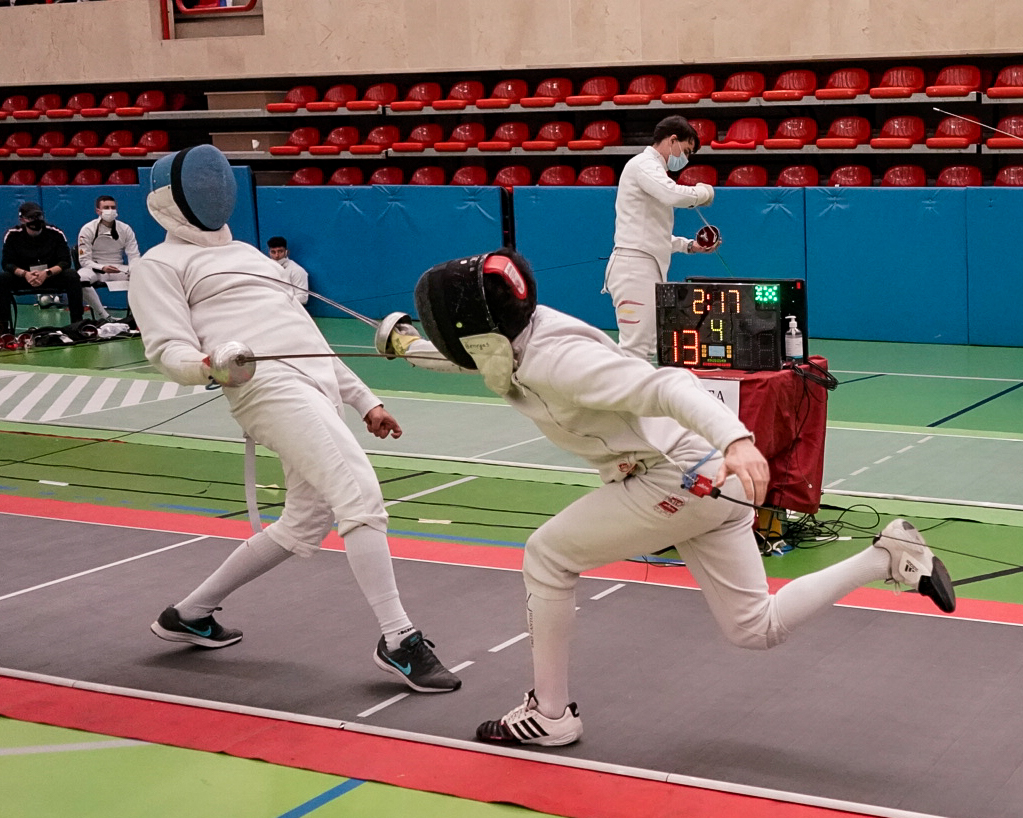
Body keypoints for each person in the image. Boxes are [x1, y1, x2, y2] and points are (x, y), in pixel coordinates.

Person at [378, 248, 956, 745]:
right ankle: (888, 556)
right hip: (712, 485)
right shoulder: (520, 338)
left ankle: (549, 715)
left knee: (547, 557)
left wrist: (736, 439)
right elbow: (480, 362)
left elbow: (668, 384)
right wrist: (405, 344)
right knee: (755, 627)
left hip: (681, 477)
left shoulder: (560, 361)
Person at [129, 144, 460, 694]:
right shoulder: (159, 265)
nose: (214, 192)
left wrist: (364, 400)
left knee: (305, 520)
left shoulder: (251, 256)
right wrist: (209, 365)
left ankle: (188, 614)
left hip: (314, 383)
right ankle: (398, 638)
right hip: (264, 387)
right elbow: (167, 350)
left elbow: (306, 337)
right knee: (359, 492)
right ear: (170, 199)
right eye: (201, 185)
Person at [602, 115, 721, 363]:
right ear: (672, 140)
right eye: (686, 151)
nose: (685, 159)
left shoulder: (653, 171)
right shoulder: (643, 164)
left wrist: (689, 246)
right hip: (633, 269)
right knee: (634, 351)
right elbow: (672, 194)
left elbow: (653, 232)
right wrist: (703, 193)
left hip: (645, 266)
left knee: (646, 349)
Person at [1, 201, 81, 334]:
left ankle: (77, 323)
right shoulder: (12, 235)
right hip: (24, 277)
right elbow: (7, 264)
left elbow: (65, 261)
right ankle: (3, 328)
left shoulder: (56, 233)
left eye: (38, 216)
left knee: (72, 276)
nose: (35, 220)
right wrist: (25, 274)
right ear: (22, 219)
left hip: (50, 276)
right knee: (3, 278)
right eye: (31, 218)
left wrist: (47, 273)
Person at [77, 195, 141, 322]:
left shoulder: (125, 229)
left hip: (118, 269)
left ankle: (135, 317)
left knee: (142, 275)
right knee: (80, 278)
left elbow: (134, 256)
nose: (110, 210)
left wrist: (134, 270)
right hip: (96, 269)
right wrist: (102, 267)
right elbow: (84, 260)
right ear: (98, 211)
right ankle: (105, 316)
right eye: (106, 207)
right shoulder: (88, 229)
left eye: (113, 207)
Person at [266, 236, 308, 305]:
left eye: (280, 251)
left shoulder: (296, 270)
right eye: (273, 252)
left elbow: (303, 298)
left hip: (288, 308)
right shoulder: (265, 268)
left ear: (286, 252)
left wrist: (281, 301)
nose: (276, 256)